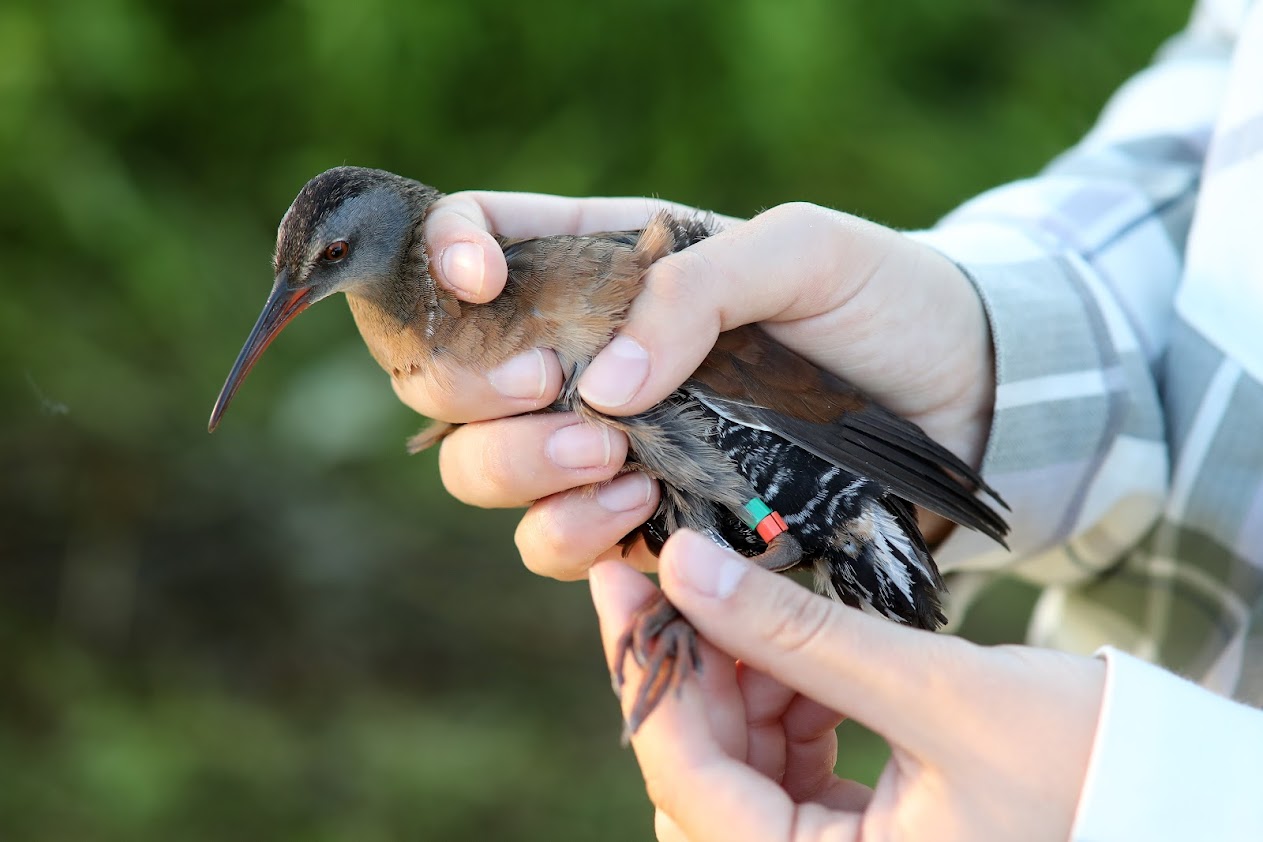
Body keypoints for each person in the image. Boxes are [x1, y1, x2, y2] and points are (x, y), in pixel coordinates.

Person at [392, 0, 1263, 838]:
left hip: (1136, 733)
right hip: (1137, 668)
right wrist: (991, 347)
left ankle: (742, 558)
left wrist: (1157, 796)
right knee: (754, 508)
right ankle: (740, 558)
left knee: (778, 510)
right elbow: (1221, 118)